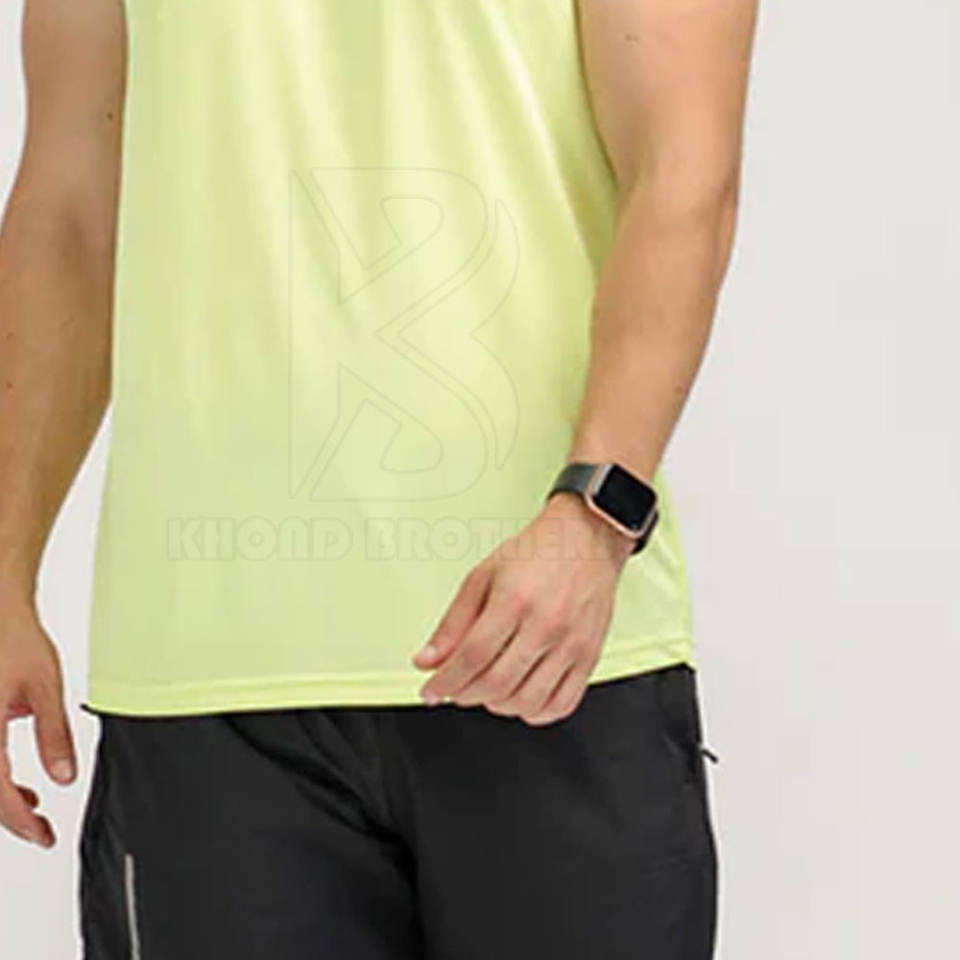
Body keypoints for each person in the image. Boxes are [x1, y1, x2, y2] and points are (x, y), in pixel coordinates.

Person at [0, 0, 757, 957]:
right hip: (206, 676)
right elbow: (70, 213)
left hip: (552, 649)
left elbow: (684, 172)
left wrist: (594, 518)